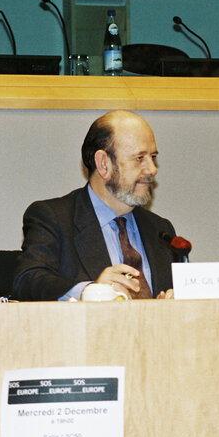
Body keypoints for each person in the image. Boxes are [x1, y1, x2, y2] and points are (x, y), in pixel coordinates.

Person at [13, 110, 180, 301]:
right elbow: (27, 280)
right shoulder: (54, 218)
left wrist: (172, 302)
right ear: (103, 164)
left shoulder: (161, 230)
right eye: (139, 158)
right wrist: (90, 291)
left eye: (153, 157)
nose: (152, 169)